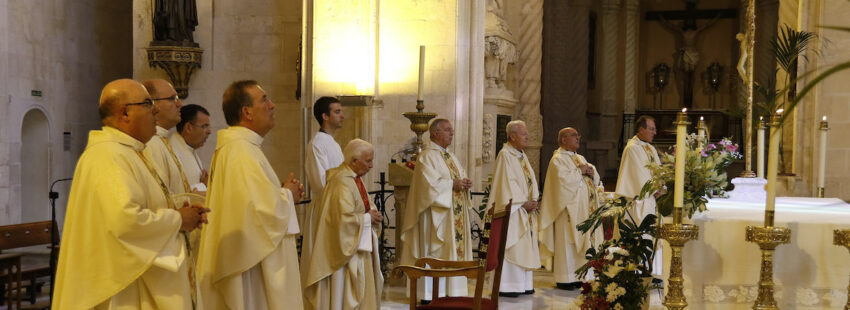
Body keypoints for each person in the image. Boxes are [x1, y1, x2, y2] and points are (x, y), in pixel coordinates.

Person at [53, 79, 205, 309]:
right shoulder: (108, 156)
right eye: (147, 103)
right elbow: (124, 221)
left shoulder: (131, 152)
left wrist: (185, 209)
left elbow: (150, 204)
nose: (154, 109)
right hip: (125, 292)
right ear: (124, 113)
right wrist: (179, 219)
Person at [196, 80, 305, 309]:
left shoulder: (242, 148)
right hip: (251, 268)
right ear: (247, 112)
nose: (273, 105)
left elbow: (251, 201)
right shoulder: (239, 150)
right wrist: (287, 195)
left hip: (251, 259)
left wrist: (282, 192)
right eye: (264, 100)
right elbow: (254, 211)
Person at [304, 139, 383, 310]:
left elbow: (365, 205)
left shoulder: (354, 178)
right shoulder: (341, 182)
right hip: (343, 258)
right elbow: (342, 221)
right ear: (354, 161)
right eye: (368, 160)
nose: (371, 166)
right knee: (343, 297)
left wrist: (373, 214)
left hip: (357, 248)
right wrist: (368, 219)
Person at [400, 118, 473, 302]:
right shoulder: (427, 156)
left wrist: (464, 182)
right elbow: (427, 186)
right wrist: (452, 184)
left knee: (451, 251)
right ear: (435, 133)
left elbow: (457, 177)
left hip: (452, 214)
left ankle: (453, 291)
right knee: (433, 252)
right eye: (448, 130)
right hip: (434, 217)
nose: (452, 133)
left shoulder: (451, 156)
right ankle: (428, 294)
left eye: (452, 130)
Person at [539, 128, 603, 290]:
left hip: (584, 210)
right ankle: (565, 278)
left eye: (578, 135)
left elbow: (594, 177)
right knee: (567, 244)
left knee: (581, 244)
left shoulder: (580, 157)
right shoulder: (557, 159)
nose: (578, 137)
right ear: (563, 140)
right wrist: (579, 171)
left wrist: (591, 172)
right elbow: (562, 183)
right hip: (567, 211)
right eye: (574, 135)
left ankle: (580, 277)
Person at [487, 120, 541, 297]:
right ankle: (508, 286)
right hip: (513, 210)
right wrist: (521, 202)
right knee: (513, 246)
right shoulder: (505, 155)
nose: (528, 137)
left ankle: (523, 284)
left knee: (524, 247)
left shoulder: (521, 155)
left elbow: (530, 179)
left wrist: (533, 198)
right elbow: (506, 184)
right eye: (524, 134)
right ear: (512, 136)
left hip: (524, 209)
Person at [615, 115, 664, 278]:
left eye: (655, 129)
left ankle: (652, 271)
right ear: (641, 129)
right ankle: (638, 270)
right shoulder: (633, 148)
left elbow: (657, 170)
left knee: (652, 234)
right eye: (651, 129)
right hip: (639, 199)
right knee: (642, 235)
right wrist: (654, 189)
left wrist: (661, 186)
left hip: (650, 198)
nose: (654, 132)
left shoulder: (649, 148)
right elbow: (639, 175)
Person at [301, 96, 345, 271]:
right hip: (325, 206)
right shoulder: (317, 144)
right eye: (337, 112)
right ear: (325, 116)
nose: (342, 115)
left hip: (337, 205)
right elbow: (319, 181)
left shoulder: (332, 143)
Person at [141, 79, 191, 196]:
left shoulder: (161, 140)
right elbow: (159, 196)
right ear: (152, 104)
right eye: (172, 99)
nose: (179, 104)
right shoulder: (150, 143)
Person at [171, 104, 212, 192]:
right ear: (189, 127)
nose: (209, 131)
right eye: (204, 126)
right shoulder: (173, 152)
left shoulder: (188, 148)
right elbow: (176, 193)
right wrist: (203, 186)